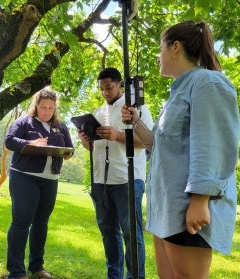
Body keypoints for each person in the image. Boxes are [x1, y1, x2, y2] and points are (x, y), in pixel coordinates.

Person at [122, 20, 240, 278]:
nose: (158, 56)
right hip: (167, 208)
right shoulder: (178, 91)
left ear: (175, 47)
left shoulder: (208, 83)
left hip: (187, 208)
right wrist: (136, 122)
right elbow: (162, 146)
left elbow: (213, 144)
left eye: (160, 48)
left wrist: (200, 199)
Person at [78, 67, 154, 279]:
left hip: (127, 180)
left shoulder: (136, 109)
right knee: (108, 233)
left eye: (109, 87)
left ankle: (135, 277)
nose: (105, 93)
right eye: (101, 89)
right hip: (100, 181)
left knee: (131, 233)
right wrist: (86, 141)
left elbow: (148, 143)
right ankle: (114, 275)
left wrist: (118, 135)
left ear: (120, 84)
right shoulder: (97, 113)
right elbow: (92, 149)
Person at [5, 88, 73, 279]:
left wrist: (68, 153)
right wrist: (32, 143)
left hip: (50, 180)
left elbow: (69, 148)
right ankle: (16, 271)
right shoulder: (24, 122)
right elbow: (10, 141)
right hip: (24, 176)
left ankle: (36, 266)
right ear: (36, 105)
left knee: (41, 224)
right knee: (21, 222)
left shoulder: (61, 126)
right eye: (43, 107)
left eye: (51, 108)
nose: (47, 111)